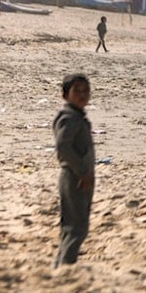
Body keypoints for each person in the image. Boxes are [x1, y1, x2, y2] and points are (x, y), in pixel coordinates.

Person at [53, 74, 95, 267]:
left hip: (79, 175)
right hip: (75, 176)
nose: (82, 94)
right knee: (77, 228)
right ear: (65, 95)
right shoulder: (69, 117)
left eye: (85, 90)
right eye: (76, 90)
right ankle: (65, 268)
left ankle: (59, 267)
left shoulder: (77, 115)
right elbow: (63, 147)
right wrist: (81, 171)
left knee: (71, 226)